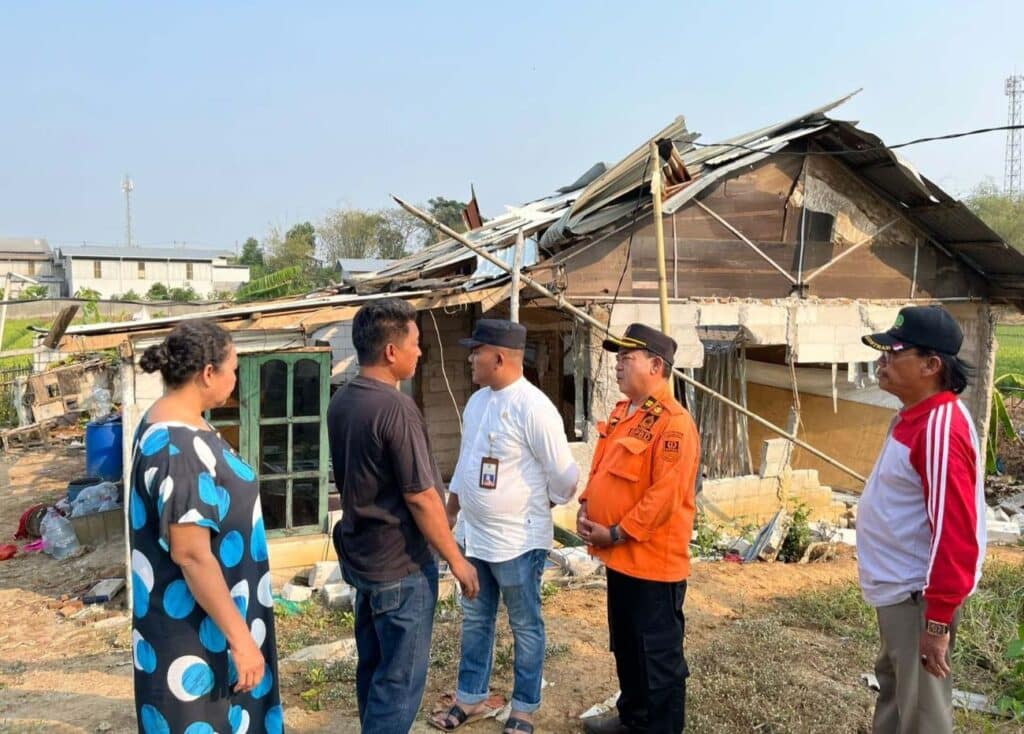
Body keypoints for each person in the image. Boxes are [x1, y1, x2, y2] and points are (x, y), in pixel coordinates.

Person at [328, 298, 480, 734]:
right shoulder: (395, 409)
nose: (420, 352)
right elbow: (421, 498)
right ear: (391, 351)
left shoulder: (343, 402)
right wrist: (456, 558)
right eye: (415, 343)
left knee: (374, 669)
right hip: (401, 565)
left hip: (365, 562)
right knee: (398, 684)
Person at [130, 320, 284, 734]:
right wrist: (241, 640)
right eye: (233, 368)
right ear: (208, 373)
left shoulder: (179, 423)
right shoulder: (178, 448)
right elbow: (192, 553)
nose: (236, 379)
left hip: (213, 628)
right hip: (199, 641)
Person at [429, 319, 580, 733]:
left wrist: (538, 502)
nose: (470, 358)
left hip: (518, 541)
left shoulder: (534, 407)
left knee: (524, 625)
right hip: (476, 539)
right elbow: (466, 463)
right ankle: (470, 698)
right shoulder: (478, 402)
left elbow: (566, 478)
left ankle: (524, 707)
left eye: (476, 351)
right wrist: (452, 511)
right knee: (476, 621)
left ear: (498, 357)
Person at [858, 305, 985, 733]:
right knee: (897, 703)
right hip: (900, 592)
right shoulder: (916, 417)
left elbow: (956, 533)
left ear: (931, 365)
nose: (882, 362)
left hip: (918, 597)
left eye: (894, 353)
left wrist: (937, 621)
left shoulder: (940, 428)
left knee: (922, 718)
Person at [577, 323, 700, 734]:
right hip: (620, 562)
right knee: (627, 648)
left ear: (656, 365)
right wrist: (584, 507)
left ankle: (659, 727)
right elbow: (603, 469)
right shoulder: (623, 414)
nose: (617, 365)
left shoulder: (674, 424)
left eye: (626, 358)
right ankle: (633, 719)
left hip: (652, 565)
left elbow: (664, 497)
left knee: (658, 659)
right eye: (618, 358)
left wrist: (614, 532)